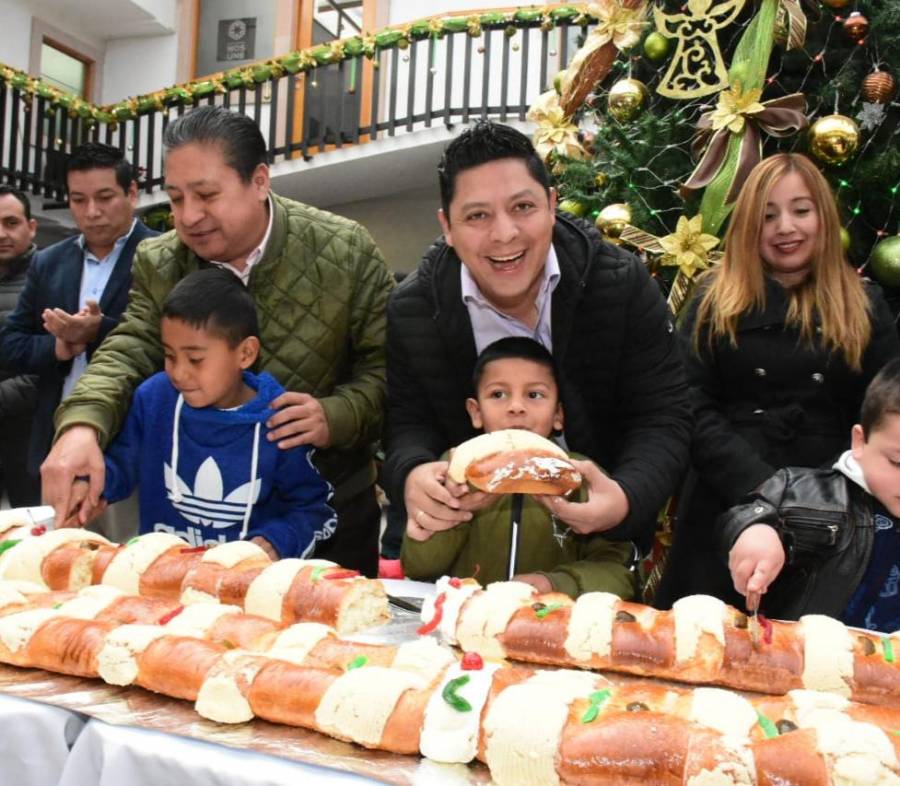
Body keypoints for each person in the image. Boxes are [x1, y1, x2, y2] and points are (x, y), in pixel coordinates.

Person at [41, 106, 394, 576]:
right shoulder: (160, 260)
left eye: (207, 194)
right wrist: (83, 424)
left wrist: (336, 415)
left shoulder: (344, 249)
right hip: (196, 524)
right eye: (176, 197)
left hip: (320, 515)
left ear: (260, 180)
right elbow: (129, 348)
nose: (188, 217)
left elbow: (389, 368)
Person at [384, 120, 691, 562]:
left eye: (523, 207)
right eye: (477, 215)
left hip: (593, 555)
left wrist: (625, 498)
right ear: (447, 226)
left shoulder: (619, 282)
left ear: (551, 204)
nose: (504, 233)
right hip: (467, 555)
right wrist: (412, 474)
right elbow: (408, 425)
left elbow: (664, 415)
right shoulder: (414, 308)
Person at [655, 153, 900, 609]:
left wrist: (815, 496)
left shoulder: (864, 303)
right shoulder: (714, 298)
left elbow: (885, 410)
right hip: (725, 498)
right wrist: (762, 490)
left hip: (833, 514)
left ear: (823, 218)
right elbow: (689, 402)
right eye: (768, 215)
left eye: (800, 210)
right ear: (749, 226)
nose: (786, 227)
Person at [72, 269, 335, 558]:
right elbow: (122, 464)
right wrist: (93, 486)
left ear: (246, 354)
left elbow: (312, 510)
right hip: (162, 581)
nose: (179, 372)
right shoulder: (155, 399)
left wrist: (276, 542)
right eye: (169, 355)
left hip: (241, 590)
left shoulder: (281, 422)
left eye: (196, 359)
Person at [401, 337, 638, 598]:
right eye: (498, 394)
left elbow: (620, 575)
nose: (516, 407)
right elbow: (419, 568)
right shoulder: (448, 472)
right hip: (464, 619)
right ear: (475, 412)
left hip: (551, 623)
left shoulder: (584, 479)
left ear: (558, 415)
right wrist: (453, 512)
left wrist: (556, 584)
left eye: (534, 395)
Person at [0, 144, 157, 491]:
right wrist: (59, 347)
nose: (92, 212)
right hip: (54, 441)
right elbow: (10, 344)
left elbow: (170, 346)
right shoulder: (50, 262)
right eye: (78, 199)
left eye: (104, 197)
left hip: (132, 444)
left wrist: (100, 330)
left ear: (131, 193)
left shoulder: (163, 255)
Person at [721, 356, 900, 633]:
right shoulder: (813, 494)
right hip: (802, 662)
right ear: (859, 442)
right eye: (897, 463)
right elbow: (751, 511)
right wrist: (757, 531)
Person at [0, 185, 41, 506]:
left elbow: (53, 364)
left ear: (31, 226)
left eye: (11, 223)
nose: (2, 234)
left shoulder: (50, 278)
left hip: (28, 439)